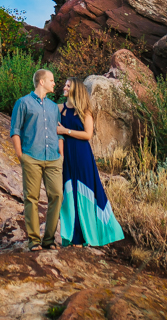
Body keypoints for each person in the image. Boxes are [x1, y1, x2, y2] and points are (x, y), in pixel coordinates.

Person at [56, 77, 125, 247]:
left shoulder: (85, 111)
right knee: (69, 194)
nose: (64, 87)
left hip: (82, 155)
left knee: (85, 194)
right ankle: (72, 236)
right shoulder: (60, 109)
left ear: (76, 89)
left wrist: (66, 131)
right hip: (67, 156)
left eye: (68, 85)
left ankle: (86, 236)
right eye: (65, 84)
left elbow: (87, 135)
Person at [9, 68, 63, 251]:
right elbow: (15, 130)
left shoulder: (54, 106)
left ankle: (49, 239)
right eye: (51, 80)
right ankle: (34, 241)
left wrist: (61, 155)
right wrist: (20, 155)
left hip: (54, 159)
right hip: (32, 157)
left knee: (57, 195)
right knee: (31, 198)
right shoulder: (23, 103)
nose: (54, 83)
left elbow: (59, 133)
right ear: (42, 82)